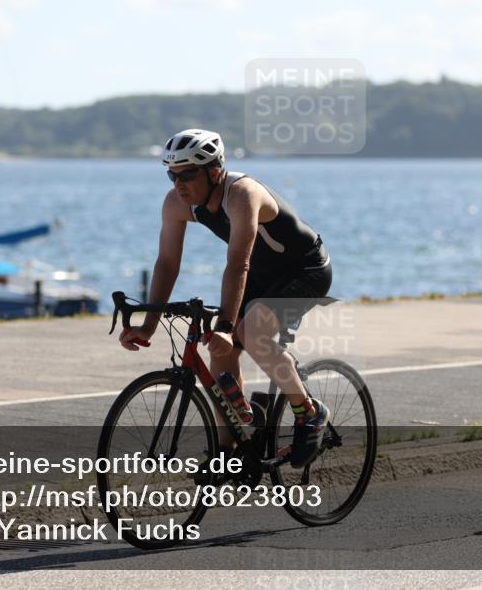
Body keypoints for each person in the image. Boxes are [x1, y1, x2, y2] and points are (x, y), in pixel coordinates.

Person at [118, 128, 333, 468]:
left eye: (188, 174)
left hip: (305, 269)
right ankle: (228, 450)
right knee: (220, 351)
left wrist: (228, 326)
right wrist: (148, 325)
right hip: (261, 274)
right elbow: (167, 263)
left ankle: (309, 413)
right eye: (172, 175)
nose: (178, 184)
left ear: (214, 171)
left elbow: (238, 264)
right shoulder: (177, 203)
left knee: (247, 332)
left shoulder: (241, 194)